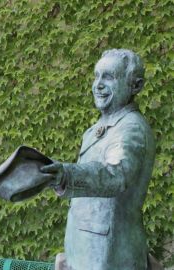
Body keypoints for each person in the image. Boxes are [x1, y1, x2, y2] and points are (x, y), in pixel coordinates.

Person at [40, 49, 158, 270]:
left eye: (109, 77)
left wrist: (67, 175)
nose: (98, 84)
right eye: (97, 76)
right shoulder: (96, 130)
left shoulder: (131, 127)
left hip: (109, 256)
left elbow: (116, 175)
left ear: (136, 85)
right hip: (84, 250)